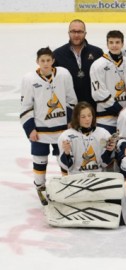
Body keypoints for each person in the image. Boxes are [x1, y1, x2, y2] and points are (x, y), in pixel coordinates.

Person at [20, 47, 77, 200]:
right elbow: (26, 106)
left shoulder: (63, 74)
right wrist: (30, 128)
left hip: (61, 129)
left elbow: (71, 99)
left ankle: (67, 186)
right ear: (37, 62)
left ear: (53, 61)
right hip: (40, 130)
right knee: (40, 160)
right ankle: (41, 188)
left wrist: (71, 120)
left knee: (64, 158)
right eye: (42, 61)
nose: (45, 63)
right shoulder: (30, 79)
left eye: (48, 60)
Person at [90, 30, 126, 134]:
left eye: (117, 42)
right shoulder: (98, 65)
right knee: (107, 148)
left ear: (122, 44)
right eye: (111, 42)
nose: (114, 45)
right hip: (106, 119)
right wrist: (118, 109)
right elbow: (98, 92)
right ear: (107, 44)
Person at [53, 19, 103, 109]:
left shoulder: (97, 53)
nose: (76, 35)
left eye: (80, 31)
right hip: (68, 108)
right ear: (68, 33)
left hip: (93, 107)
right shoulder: (57, 54)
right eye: (73, 31)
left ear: (85, 33)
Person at [58, 102, 115, 174]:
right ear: (76, 118)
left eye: (89, 115)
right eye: (83, 117)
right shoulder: (66, 136)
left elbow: (104, 163)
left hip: (98, 176)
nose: (87, 119)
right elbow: (67, 167)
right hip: (76, 177)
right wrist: (66, 154)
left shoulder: (103, 133)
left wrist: (110, 151)